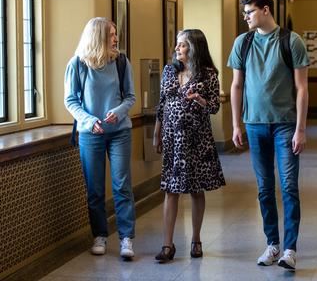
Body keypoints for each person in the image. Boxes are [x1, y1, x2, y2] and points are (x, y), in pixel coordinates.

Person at [227, 0, 309, 271]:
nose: (246, 17)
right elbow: (236, 85)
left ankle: (290, 249)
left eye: (249, 12)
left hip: (286, 126)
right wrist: (236, 123)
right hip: (255, 125)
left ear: (265, 10)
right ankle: (272, 244)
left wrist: (300, 128)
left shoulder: (291, 41)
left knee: (288, 187)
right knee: (264, 188)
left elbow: (301, 88)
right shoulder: (243, 42)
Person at [64, 17, 136, 260]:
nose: (116, 39)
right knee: (95, 190)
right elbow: (70, 100)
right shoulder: (78, 64)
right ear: (98, 37)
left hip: (120, 133)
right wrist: (88, 120)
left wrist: (118, 112)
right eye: (111, 34)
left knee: (121, 186)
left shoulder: (122, 62)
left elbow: (130, 97)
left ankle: (126, 238)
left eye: (115, 34)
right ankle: (100, 235)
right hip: (90, 134)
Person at [153, 29, 226, 263]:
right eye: (177, 44)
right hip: (173, 139)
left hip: (197, 139)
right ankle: (167, 244)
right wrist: (157, 133)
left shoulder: (208, 74)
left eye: (182, 45)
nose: (176, 49)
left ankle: (196, 239)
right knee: (171, 189)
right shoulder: (169, 71)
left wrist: (200, 99)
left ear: (193, 48)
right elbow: (162, 103)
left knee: (196, 189)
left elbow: (214, 106)